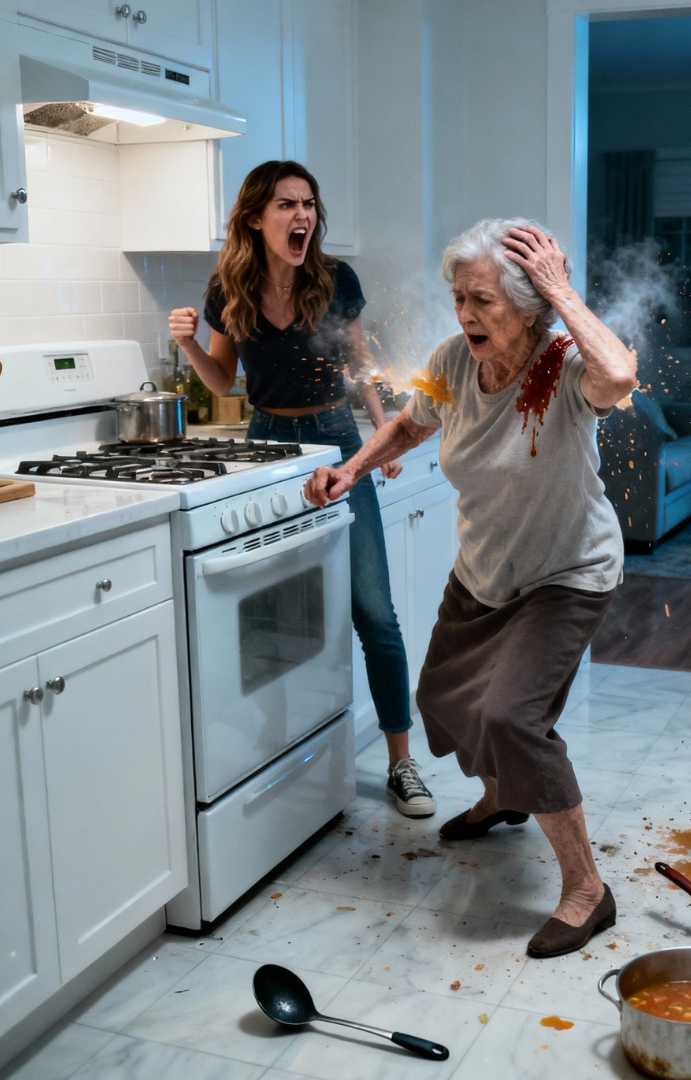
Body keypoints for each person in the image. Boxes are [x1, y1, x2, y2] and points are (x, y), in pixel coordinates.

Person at [303, 218, 637, 957]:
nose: (465, 313)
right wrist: (352, 470)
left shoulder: (562, 364)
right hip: (483, 570)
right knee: (442, 699)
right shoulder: (454, 362)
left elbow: (618, 377)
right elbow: (411, 425)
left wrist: (560, 289)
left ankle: (588, 888)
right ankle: (501, 798)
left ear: (528, 303)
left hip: (565, 573)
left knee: (511, 718)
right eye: (460, 297)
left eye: (483, 299)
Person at [167, 160, 436, 817]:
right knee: (275, 611)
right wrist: (189, 346)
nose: (303, 216)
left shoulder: (335, 279)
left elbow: (360, 365)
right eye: (287, 204)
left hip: (337, 440)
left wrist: (382, 442)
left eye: (309, 204)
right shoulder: (228, 287)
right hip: (268, 445)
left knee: (374, 612)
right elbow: (223, 381)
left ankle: (402, 763)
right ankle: (277, 740)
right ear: (255, 217)